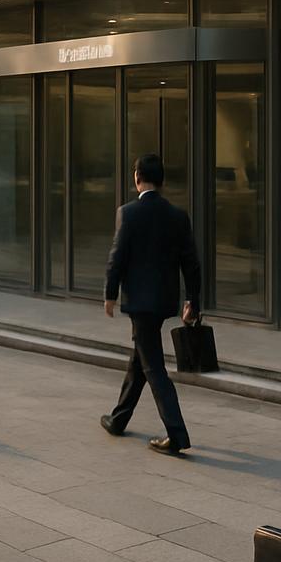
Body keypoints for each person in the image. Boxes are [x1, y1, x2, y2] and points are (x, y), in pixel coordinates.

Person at [99, 153, 202, 455]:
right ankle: (118, 419)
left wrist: (110, 294)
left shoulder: (128, 213)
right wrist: (192, 301)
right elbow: (191, 264)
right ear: (162, 181)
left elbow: (117, 256)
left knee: (153, 367)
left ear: (137, 177)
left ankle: (177, 434)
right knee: (139, 361)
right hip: (163, 302)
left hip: (139, 303)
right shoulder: (178, 216)